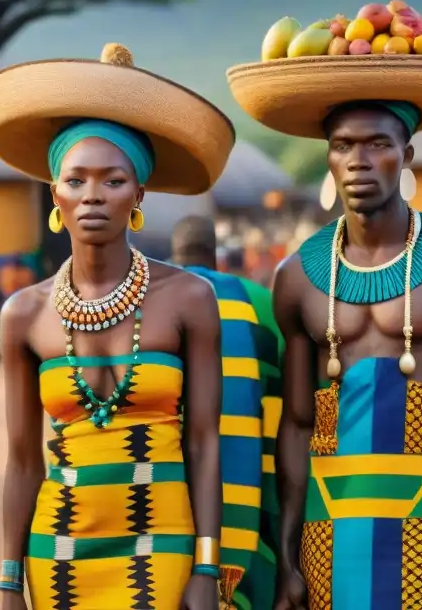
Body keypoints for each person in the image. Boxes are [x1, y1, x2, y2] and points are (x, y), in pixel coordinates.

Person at [229, 66, 422, 608]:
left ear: (406, 155)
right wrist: (288, 553)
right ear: (329, 160)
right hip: (329, 527)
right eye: (343, 145)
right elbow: (297, 422)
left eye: (378, 143)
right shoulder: (298, 276)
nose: (358, 159)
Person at [0, 43, 235, 610]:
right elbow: (23, 459)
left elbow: (204, 441)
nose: (92, 194)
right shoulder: (23, 314)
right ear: (55, 194)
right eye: (75, 180)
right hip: (59, 550)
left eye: (113, 180)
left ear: (139, 193)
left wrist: (207, 564)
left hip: (164, 542)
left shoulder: (190, 298)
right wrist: (7, 581)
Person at [170, 215, 284, 610]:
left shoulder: (152, 301)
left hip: (166, 518)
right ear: (215, 254)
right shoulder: (263, 305)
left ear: (174, 253)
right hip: (251, 504)